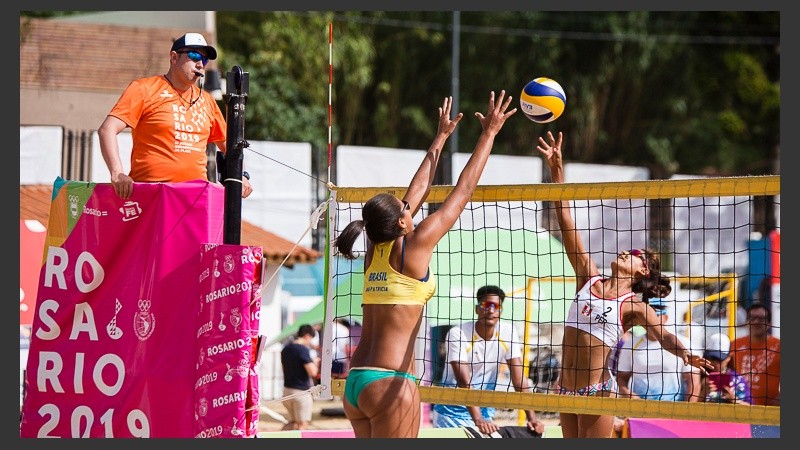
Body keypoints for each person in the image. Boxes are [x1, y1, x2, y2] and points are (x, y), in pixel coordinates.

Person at [335, 91, 517, 438]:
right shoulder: (415, 246)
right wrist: (489, 134)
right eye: (404, 207)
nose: (409, 206)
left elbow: (416, 190)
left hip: (357, 382)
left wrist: (440, 138)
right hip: (390, 383)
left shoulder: (375, 246)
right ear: (401, 221)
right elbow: (463, 191)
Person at [536, 130, 713, 438]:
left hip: (596, 391)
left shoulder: (633, 306)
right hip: (564, 388)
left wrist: (685, 355)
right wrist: (556, 171)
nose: (624, 252)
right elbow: (566, 221)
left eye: (633, 254)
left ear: (643, 271)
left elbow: (664, 335)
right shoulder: (588, 277)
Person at [98, 32, 253, 200]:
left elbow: (231, 147)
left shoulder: (207, 101)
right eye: (194, 56)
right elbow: (107, 129)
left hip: (194, 198)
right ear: (174, 57)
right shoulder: (144, 88)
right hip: (152, 195)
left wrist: (242, 175)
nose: (200, 64)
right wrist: (117, 173)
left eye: (204, 60)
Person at [431, 285, 545, 436]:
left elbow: (519, 381)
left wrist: (532, 418)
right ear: (476, 309)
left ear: (500, 311)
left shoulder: (508, 332)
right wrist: (478, 420)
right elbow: (464, 382)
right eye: (486, 305)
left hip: (484, 414)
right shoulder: (457, 333)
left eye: (496, 306)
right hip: (450, 414)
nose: (491, 310)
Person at [616, 298, 702, 402]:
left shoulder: (684, 343)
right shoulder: (630, 344)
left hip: (674, 407)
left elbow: (693, 383)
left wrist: (688, 409)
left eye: (655, 316)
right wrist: (626, 392)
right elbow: (621, 378)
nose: (649, 320)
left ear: (665, 318)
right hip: (640, 407)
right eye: (646, 316)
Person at [729, 302, 780, 405]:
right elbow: (727, 372)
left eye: (761, 319)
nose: (756, 322)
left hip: (769, 409)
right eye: (752, 318)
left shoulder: (779, 346)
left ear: (769, 323)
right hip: (740, 407)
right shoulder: (735, 345)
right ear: (747, 321)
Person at [280, 324, 320, 430]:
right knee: (303, 425)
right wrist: (315, 362)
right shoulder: (303, 349)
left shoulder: (285, 349)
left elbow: (283, 368)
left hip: (287, 391)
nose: (310, 342)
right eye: (310, 339)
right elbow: (313, 372)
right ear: (307, 336)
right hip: (301, 392)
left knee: (292, 423)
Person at [702, 332, 751, 404]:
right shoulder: (699, 377)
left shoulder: (737, 381)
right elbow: (690, 404)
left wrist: (734, 401)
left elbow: (751, 407)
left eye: (718, 359)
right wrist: (702, 394)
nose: (714, 363)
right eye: (710, 358)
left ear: (729, 357)